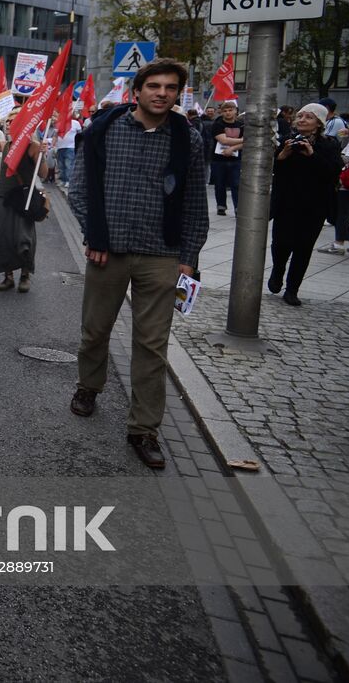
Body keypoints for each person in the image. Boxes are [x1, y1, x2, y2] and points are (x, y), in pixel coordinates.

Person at [69, 59, 207, 470]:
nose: (162, 93)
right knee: (95, 330)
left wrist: (189, 257)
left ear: (178, 93)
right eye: (154, 86)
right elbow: (80, 190)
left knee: (152, 345)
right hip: (108, 252)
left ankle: (143, 429)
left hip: (161, 255)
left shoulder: (189, 139)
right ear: (138, 91)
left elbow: (195, 202)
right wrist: (94, 237)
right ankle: (89, 385)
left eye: (170, 88)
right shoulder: (105, 130)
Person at [269, 103, 344, 306]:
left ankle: (292, 289)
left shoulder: (329, 144)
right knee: (280, 243)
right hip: (287, 203)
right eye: (300, 116)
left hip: (314, 206)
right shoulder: (287, 141)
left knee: (303, 248)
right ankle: (277, 271)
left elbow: (332, 172)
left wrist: (312, 155)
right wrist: (282, 156)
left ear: (319, 123)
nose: (302, 120)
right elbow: (275, 170)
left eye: (308, 117)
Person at [0, 112, 49, 293]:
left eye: (13, 121)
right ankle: (8, 277)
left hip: (24, 199)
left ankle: (25, 275)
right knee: (2, 239)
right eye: (7, 122)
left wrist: (41, 154)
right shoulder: (5, 145)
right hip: (3, 198)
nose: (8, 124)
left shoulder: (33, 146)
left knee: (24, 239)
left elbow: (44, 174)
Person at [324, 117, 349, 255]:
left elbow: (345, 160)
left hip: (348, 184)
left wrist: (335, 152)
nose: (348, 128)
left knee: (343, 213)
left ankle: (339, 244)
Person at [208, 100, 243, 215]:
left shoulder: (241, 125)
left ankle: (238, 207)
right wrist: (243, 139)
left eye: (230, 110)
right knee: (220, 183)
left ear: (236, 111)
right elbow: (223, 139)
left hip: (235, 159)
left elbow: (247, 143)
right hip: (218, 159)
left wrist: (232, 148)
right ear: (221, 112)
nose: (228, 113)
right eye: (225, 111)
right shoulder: (218, 124)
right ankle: (221, 206)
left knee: (236, 184)